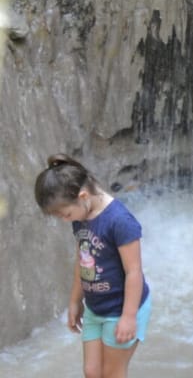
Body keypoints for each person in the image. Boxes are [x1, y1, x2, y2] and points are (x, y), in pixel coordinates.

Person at [36, 155, 152, 378]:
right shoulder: (81, 216)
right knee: (91, 372)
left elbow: (134, 272)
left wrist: (129, 317)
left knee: (112, 373)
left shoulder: (120, 221)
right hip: (95, 308)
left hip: (122, 309)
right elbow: (82, 258)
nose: (64, 220)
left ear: (83, 196)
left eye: (65, 214)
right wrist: (74, 301)